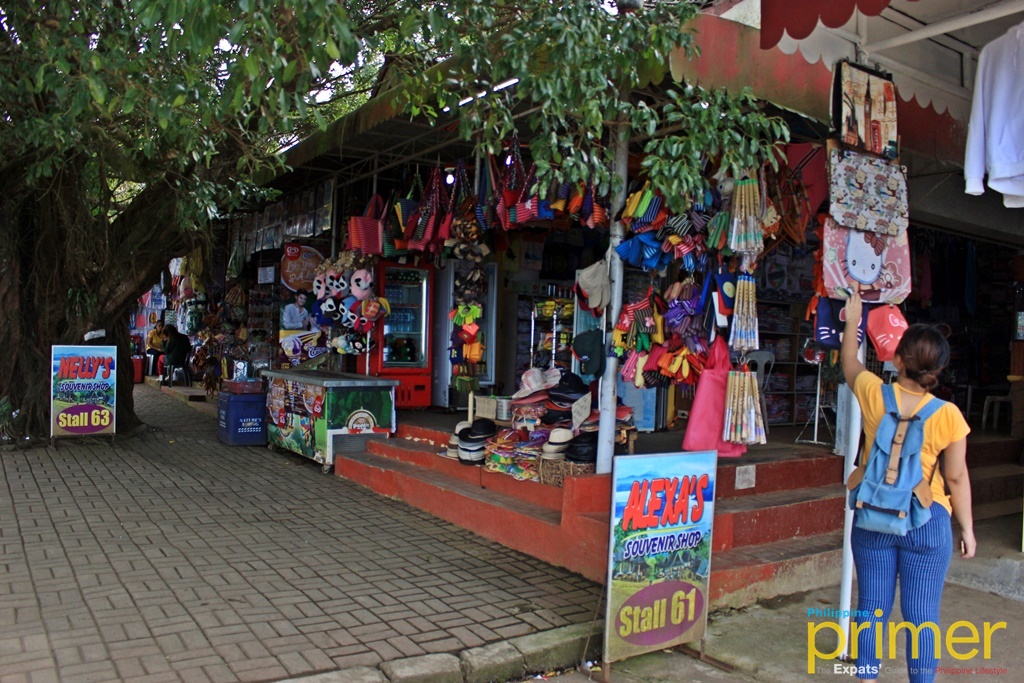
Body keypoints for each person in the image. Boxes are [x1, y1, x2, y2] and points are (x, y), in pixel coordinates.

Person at [841, 291, 975, 683]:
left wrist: (854, 320)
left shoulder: (872, 393)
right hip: (927, 520)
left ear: (897, 360)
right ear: (939, 370)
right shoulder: (949, 415)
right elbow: (956, 477)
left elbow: (850, 361)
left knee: (872, 608)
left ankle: (867, 677)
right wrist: (966, 528)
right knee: (921, 616)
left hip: (873, 515)